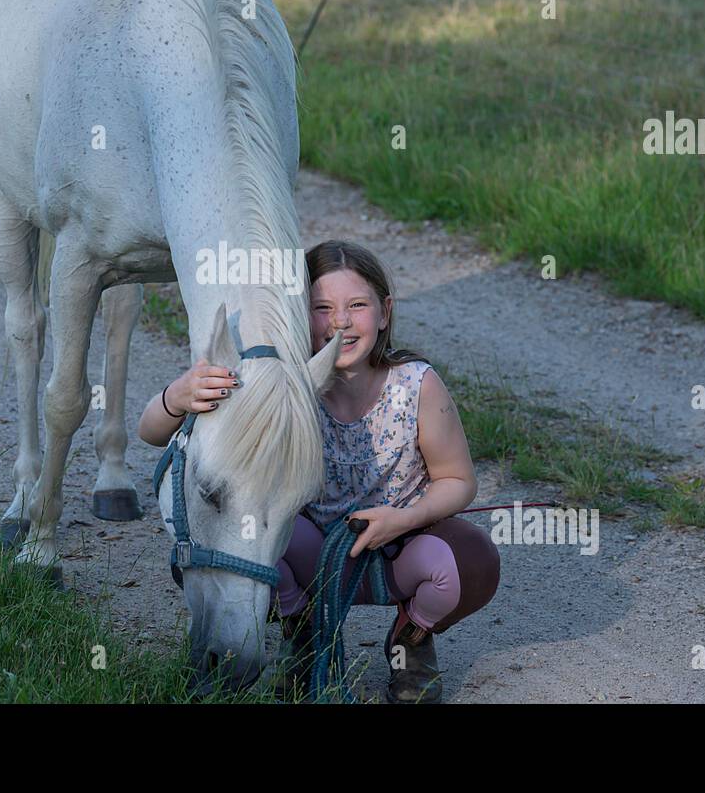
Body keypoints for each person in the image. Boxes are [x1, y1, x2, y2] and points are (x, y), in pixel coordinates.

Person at [138, 240, 501, 703]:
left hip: (397, 548)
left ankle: (410, 642)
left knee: (470, 560)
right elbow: (151, 432)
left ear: (385, 312)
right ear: (298, 314)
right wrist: (178, 395)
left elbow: (458, 480)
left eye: (357, 306)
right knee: (243, 538)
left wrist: (401, 518)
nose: (340, 322)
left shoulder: (415, 384)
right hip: (310, 551)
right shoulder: (284, 387)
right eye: (321, 307)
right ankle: (301, 631)